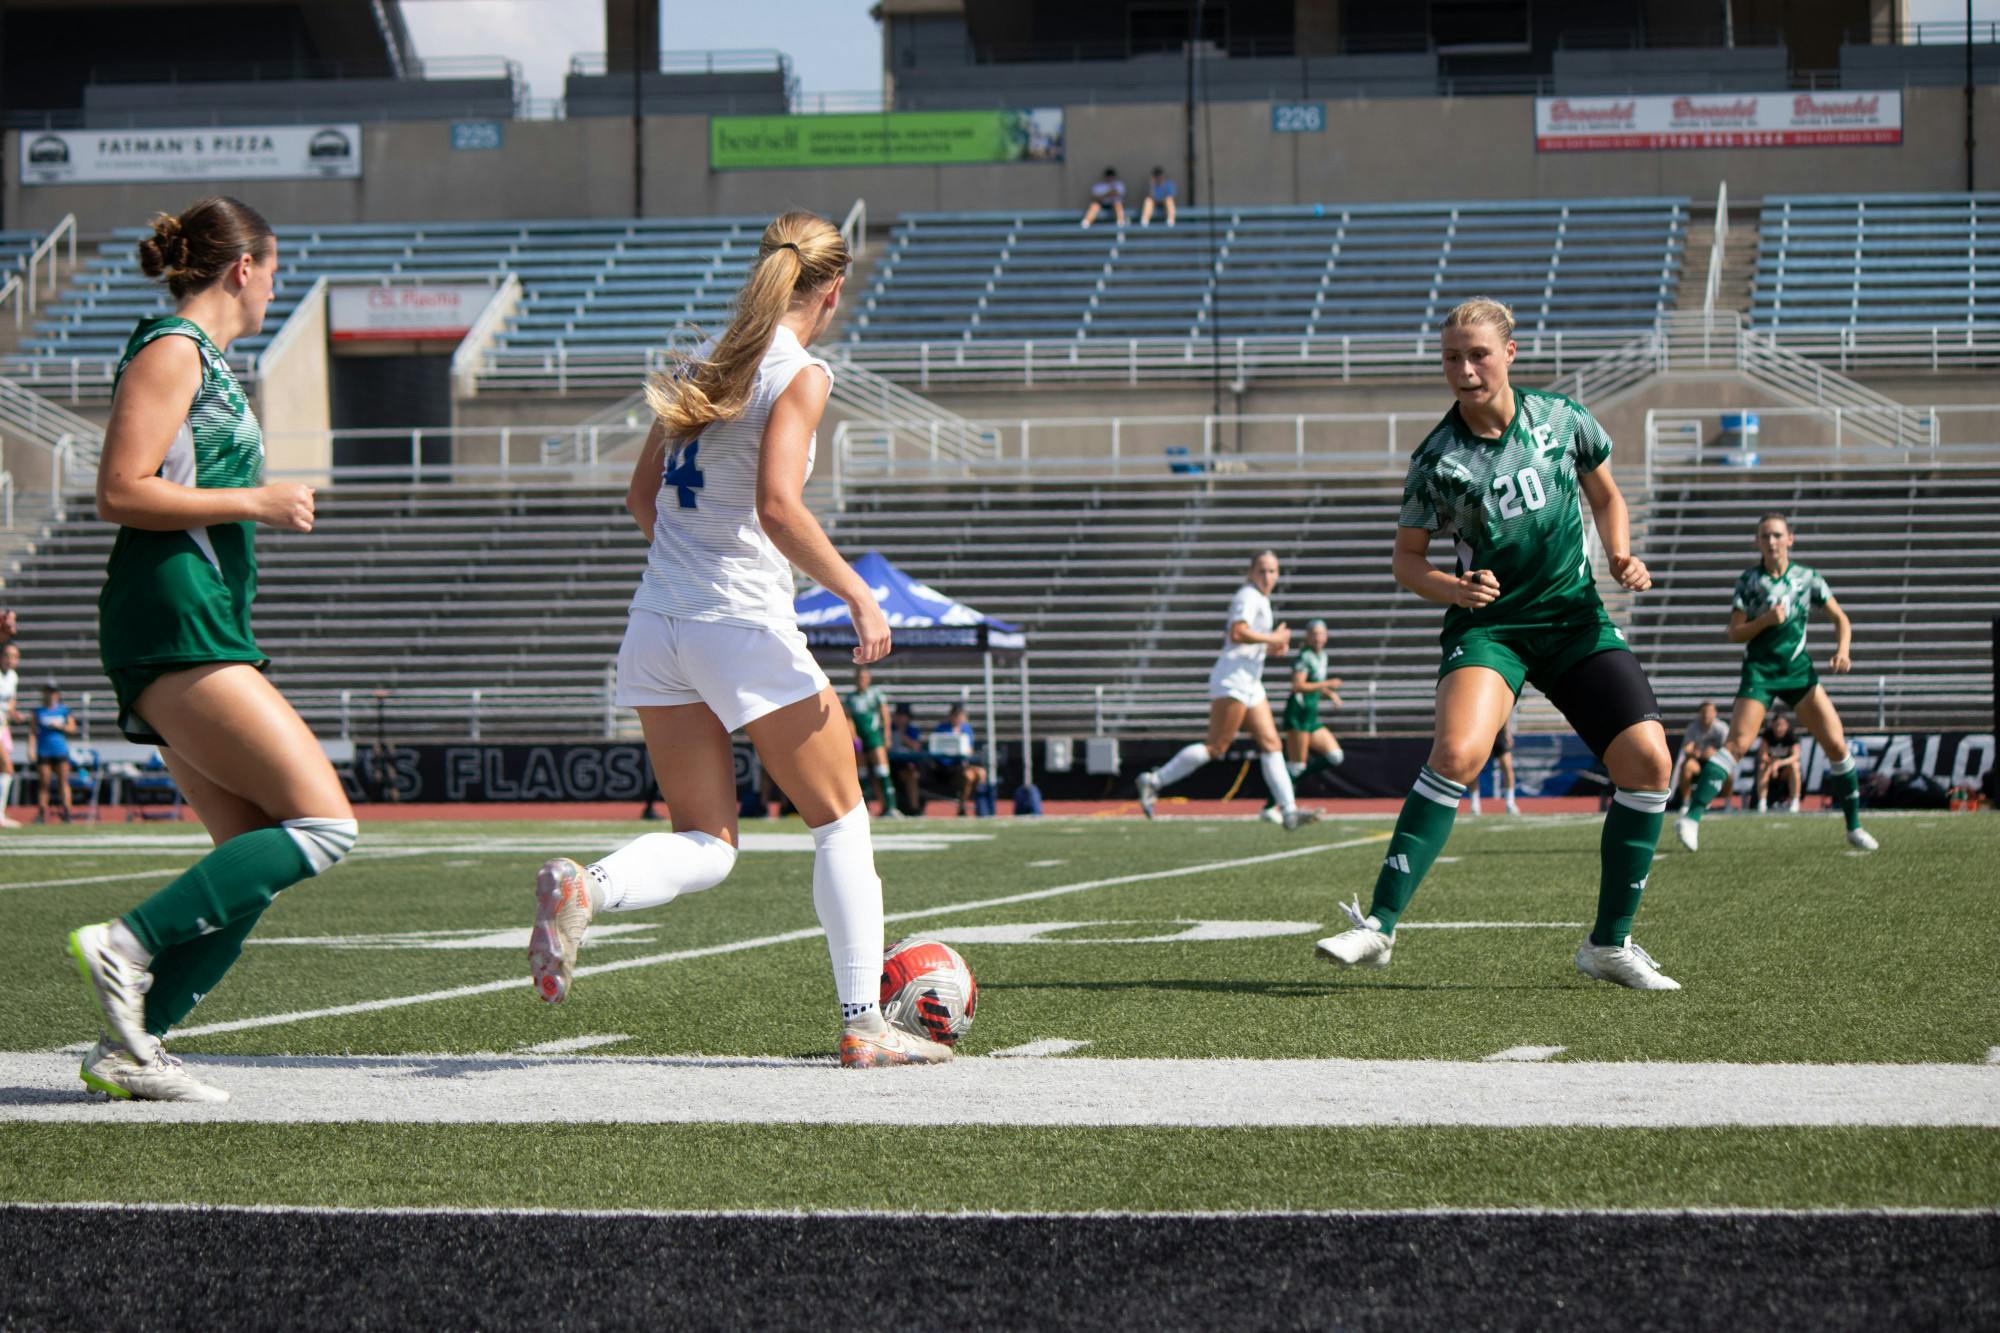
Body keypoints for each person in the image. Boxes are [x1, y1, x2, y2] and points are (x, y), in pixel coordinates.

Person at [526, 210, 951, 1068]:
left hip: (657, 623)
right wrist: (859, 594)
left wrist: (693, 572)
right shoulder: (802, 371)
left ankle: (589, 887)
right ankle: (865, 1023)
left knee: (709, 843)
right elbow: (777, 507)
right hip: (739, 623)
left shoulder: (702, 361)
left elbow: (640, 499)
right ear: (833, 292)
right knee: (842, 821)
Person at [66, 196, 358, 1104]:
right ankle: (127, 943)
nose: (276, 286)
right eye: (274, 269)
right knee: (325, 825)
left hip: (201, 616)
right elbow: (119, 490)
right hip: (174, 615)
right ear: (243, 268)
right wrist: (256, 500)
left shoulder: (209, 361)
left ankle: (133, 1046)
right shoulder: (171, 350)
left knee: (252, 855)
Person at [1316, 297, 1679, 990]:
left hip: (1574, 621)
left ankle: (1609, 945)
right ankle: (1378, 926)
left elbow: (1607, 497)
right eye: (1451, 358)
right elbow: (1407, 561)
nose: (1464, 369)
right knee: (1457, 752)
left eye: (1477, 354)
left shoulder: (1563, 418)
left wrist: (1621, 555)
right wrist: (1453, 589)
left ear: (1509, 353)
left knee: (1648, 762)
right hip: (1491, 628)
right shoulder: (1437, 459)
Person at [1676, 513, 1876, 852]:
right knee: (1737, 744)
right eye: (1765, 536)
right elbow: (1734, 633)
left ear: (1790, 539)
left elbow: (1840, 618)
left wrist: (1843, 650)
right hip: (1761, 672)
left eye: (1777, 535)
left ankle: (1854, 827)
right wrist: (1765, 620)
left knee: (1837, 745)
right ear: (1757, 542)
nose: (1771, 541)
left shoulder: (1808, 578)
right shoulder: (1749, 581)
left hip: (1798, 672)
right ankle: (1691, 818)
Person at [1136, 550, 1318, 831]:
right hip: (1233, 679)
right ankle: (1154, 780)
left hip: (1250, 681)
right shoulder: (1248, 596)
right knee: (1217, 746)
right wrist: (1272, 638)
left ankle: (1289, 811)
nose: (1267, 576)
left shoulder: (1261, 599)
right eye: (1262, 570)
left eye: (1272, 571)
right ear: (1251, 572)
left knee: (1272, 743)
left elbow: (1248, 642)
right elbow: (1237, 632)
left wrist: (1272, 647)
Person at [1278, 618, 1345, 803]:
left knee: (1335, 756)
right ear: (1307, 636)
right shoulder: (1304, 657)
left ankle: (1289, 785)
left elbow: (1314, 683)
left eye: (1321, 633)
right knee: (1297, 765)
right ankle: (1271, 805)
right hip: (1298, 714)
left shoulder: (1322, 655)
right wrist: (1328, 684)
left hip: (1311, 715)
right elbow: (1297, 685)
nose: (1318, 637)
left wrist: (1330, 694)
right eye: (1314, 634)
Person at [844, 665, 898, 819]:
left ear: (869, 679)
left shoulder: (875, 693)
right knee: (862, 773)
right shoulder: (851, 698)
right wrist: (854, 736)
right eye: (859, 678)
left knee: (882, 770)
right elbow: (848, 719)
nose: (862, 680)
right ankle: (866, 809)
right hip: (860, 738)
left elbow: (885, 715)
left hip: (874, 737)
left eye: (864, 677)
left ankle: (891, 807)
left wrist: (887, 735)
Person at [31, 683, 79, 823]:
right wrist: (31, 749)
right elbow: (32, 732)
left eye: (52, 692)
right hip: (43, 751)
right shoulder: (38, 711)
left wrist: (61, 726)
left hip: (60, 750)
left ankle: (67, 813)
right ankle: (42, 813)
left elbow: (73, 728)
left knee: (63, 782)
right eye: (48, 692)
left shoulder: (64, 710)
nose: (50, 695)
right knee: (44, 783)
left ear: (57, 694)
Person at [930, 701, 988, 816]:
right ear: (951, 715)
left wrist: (965, 750)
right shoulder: (942, 728)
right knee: (968, 776)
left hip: (962, 766)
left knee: (981, 773)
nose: (958, 718)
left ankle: (982, 808)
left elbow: (969, 750)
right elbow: (935, 749)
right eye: (955, 715)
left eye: (960, 715)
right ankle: (962, 808)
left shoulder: (966, 729)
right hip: (946, 768)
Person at [1674, 700, 1728, 810]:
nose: (1706, 714)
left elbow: (1728, 749)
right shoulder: (1693, 727)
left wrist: (1715, 753)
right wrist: (1694, 752)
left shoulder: (1722, 728)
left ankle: (1727, 802)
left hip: (1717, 761)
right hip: (1698, 762)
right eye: (1704, 712)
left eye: (1710, 711)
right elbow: (1687, 748)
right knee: (1687, 766)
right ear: (1699, 713)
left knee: (1729, 771)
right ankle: (1686, 802)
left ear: (1715, 713)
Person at [1469, 706, 1519, 816]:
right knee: (1474, 769)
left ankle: (1510, 803)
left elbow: (1506, 710)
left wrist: (1507, 732)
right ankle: (1474, 804)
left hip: (1499, 731)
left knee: (1507, 767)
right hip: (1481, 730)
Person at [1755, 708, 1802, 813]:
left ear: (1787, 725)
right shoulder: (1767, 734)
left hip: (1785, 769)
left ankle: (1795, 801)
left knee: (1795, 766)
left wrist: (1780, 763)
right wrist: (1772, 764)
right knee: (1762, 767)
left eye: (1782, 725)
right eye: (1777, 725)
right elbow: (1762, 755)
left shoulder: (1791, 735)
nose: (1779, 728)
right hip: (1770, 767)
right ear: (1772, 724)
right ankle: (1762, 802)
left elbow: (1796, 756)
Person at [0, 643, 21, 828]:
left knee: (4, 769)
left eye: (14, 656)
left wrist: (14, 713)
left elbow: (11, 701)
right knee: (7, 767)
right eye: (7, 655)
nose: (10, 660)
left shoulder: (13, 677)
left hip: (3, 727)